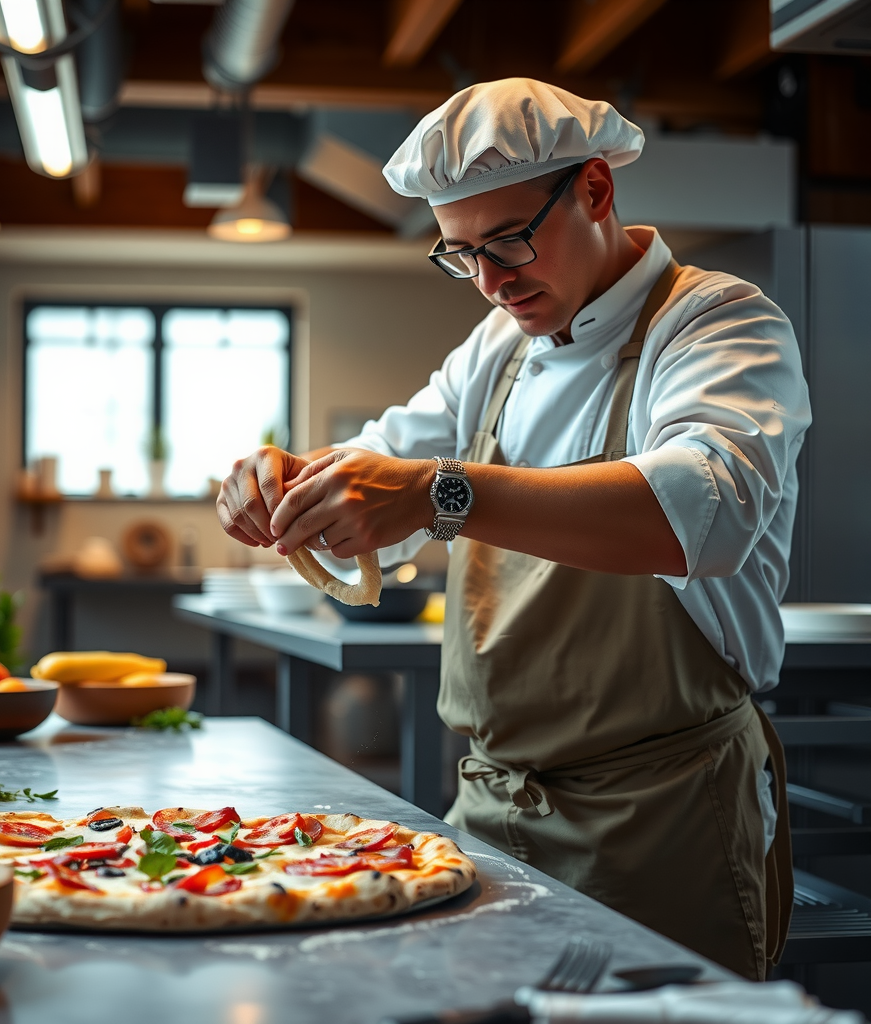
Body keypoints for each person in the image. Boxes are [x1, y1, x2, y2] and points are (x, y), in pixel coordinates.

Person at [217, 78, 811, 979]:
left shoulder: (716, 323)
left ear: (597, 190)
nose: (493, 282)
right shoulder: (498, 350)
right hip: (490, 811)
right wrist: (287, 486)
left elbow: (704, 512)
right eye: (461, 255)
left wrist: (440, 493)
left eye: (509, 240)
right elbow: (384, 470)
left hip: (663, 821)